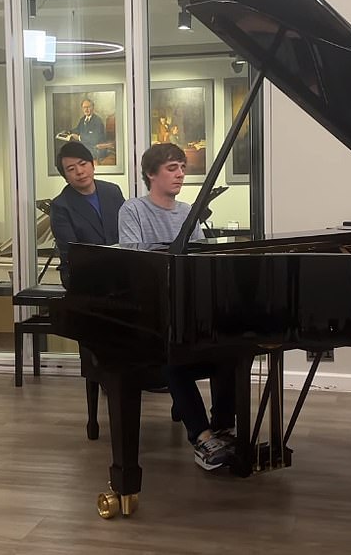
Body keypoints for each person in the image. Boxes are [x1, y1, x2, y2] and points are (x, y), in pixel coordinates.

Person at [119, 143, 236, 471]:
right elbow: (134, 262)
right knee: (173, 357)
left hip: (188, 310)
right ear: (150, 174)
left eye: (182, 167)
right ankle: (201, 436)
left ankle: (224, 428)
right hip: (152, 314)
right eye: (172, 168)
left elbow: (199, 261)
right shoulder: (133, 210)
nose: (181, 174)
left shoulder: (187, 212)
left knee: (232, 350)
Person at [51, 141, 125, 288]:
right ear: (65, 177)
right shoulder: (61, 206)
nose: (79, 171)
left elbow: (127, 231)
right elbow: (73, 253)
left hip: (120, 270)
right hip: (83, 275)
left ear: (92, 165)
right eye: (71, 169)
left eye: (83, 164)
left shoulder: (112, 192)